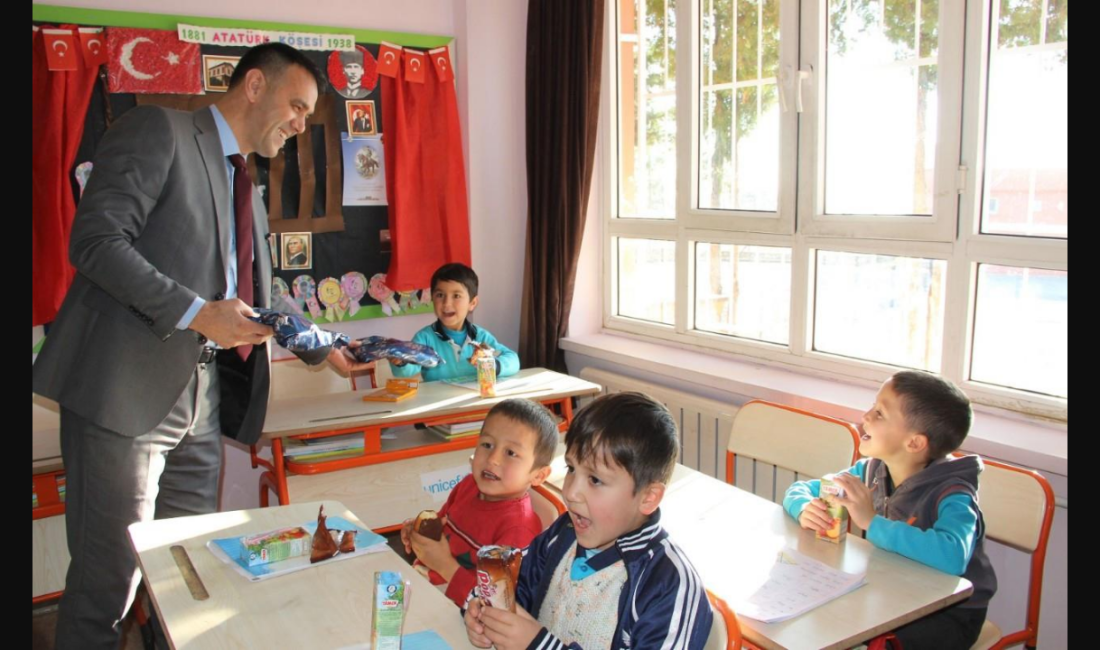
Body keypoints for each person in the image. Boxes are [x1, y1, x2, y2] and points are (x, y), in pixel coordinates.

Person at [32, 42, 372, 649]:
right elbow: (97, 242)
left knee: (186, 577)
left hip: (204, 399)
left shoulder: (245, 181)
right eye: (297, 106)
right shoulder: (158, 131)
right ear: (254, 86)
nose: (301, 124)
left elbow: (255, 296)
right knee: (110, 584)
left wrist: (324, 346)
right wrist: (196, 313)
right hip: (124, 395)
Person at [464, 392, 713, 650]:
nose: (571, 492)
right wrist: (482, 608)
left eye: (595, 480)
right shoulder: (563, 533)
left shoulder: (667, 585)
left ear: (648, 497)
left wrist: (539, 645)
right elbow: (511, 582)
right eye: (571, 469)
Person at [783, 370, 997, 649]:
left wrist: (872, 522)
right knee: (818, 617)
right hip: (896, 590)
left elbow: (953, 555)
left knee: (858, 635)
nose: (866, 416)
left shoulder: (954, 494)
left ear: (914, 443)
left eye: (880, 413)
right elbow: (802, 490)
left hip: (949, 614)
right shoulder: (871, 471)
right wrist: (804, 509)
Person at [401, 398, 559, 607]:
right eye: (487, 445)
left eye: (511, 453)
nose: (493, 459)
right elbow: (441, 528)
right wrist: (420, 533)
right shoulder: (469, 485)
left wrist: (445, 565)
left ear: (538, 475)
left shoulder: (518, 529)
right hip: (424, 584)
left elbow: (493, 604)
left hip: (461, 612)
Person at [389, 263, 520, 382]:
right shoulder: (425, 338)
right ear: (432, 299)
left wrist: (495, 365)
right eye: (440, 295)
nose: (447, 303)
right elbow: (407, 372)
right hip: (440, 400)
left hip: (474, 398)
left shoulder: (481, 337)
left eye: (456, 296)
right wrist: (401, 362)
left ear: (472, 303)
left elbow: (513, 360)